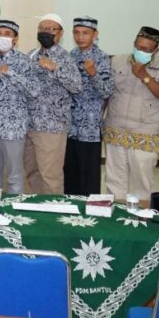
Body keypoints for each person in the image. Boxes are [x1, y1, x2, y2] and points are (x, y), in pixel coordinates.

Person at [103, 26, 159, 202]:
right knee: (114, 181)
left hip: (144, 133)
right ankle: (116, 215)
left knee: (142, 182)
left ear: (156, 51)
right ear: (134, 44)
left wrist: (145, 76)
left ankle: (141, 215)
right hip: (116, 129)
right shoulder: (117, 61)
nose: (141, 51)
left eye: (147, 50)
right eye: (139, 47)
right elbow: (107, 93)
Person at [0, 19, 40, 195]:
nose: (2, 37)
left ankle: (13, 208)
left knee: (14, 175)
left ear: (15, 39)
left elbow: (35, 90)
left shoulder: (24, 61)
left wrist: (10, 73)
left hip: (13, 128)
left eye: (7, 34)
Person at [24, 13, 82, 195]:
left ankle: (53, 209)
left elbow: (77, 86)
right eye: (42, 28)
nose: (45, 32)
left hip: (51, 127)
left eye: (51, 29)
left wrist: (56, 68)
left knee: (50, 176)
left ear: (60, 33)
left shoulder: (65, 58)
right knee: (31, 173)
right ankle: (37, 207)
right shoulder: (31, 55)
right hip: (28, 124)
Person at [64, 16, 114, 196]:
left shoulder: (101, 58)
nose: (80, 37)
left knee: (89, 177)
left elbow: (107, 91)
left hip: (90, 129)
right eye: (76, 32)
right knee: (70, 174)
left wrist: (94, 74)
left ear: (95, 34)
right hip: (70, 126)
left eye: (85, 33)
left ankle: (91, 210)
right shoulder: (70, 56)